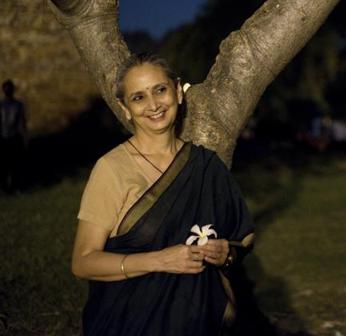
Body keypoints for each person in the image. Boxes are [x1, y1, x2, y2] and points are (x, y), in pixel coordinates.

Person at [71, 54, 255, 336]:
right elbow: (83, 261)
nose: (154, 105)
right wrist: (158, 260)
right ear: (125, 109)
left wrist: (227, 253)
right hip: (128, 322)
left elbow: (243, 235)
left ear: (178, 92)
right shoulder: (111, 169)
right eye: (138, 97)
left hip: (200, 320)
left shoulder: (206, 165)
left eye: (160, 89)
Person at [0, 79, 27, 192]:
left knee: (15, 165)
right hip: (3, 138)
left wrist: (24, 139)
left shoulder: (18, 105)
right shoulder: (1, 106)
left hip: (14, 138)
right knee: (3, 165)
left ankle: (15, 186)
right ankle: (4, 186)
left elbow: (21, 123)